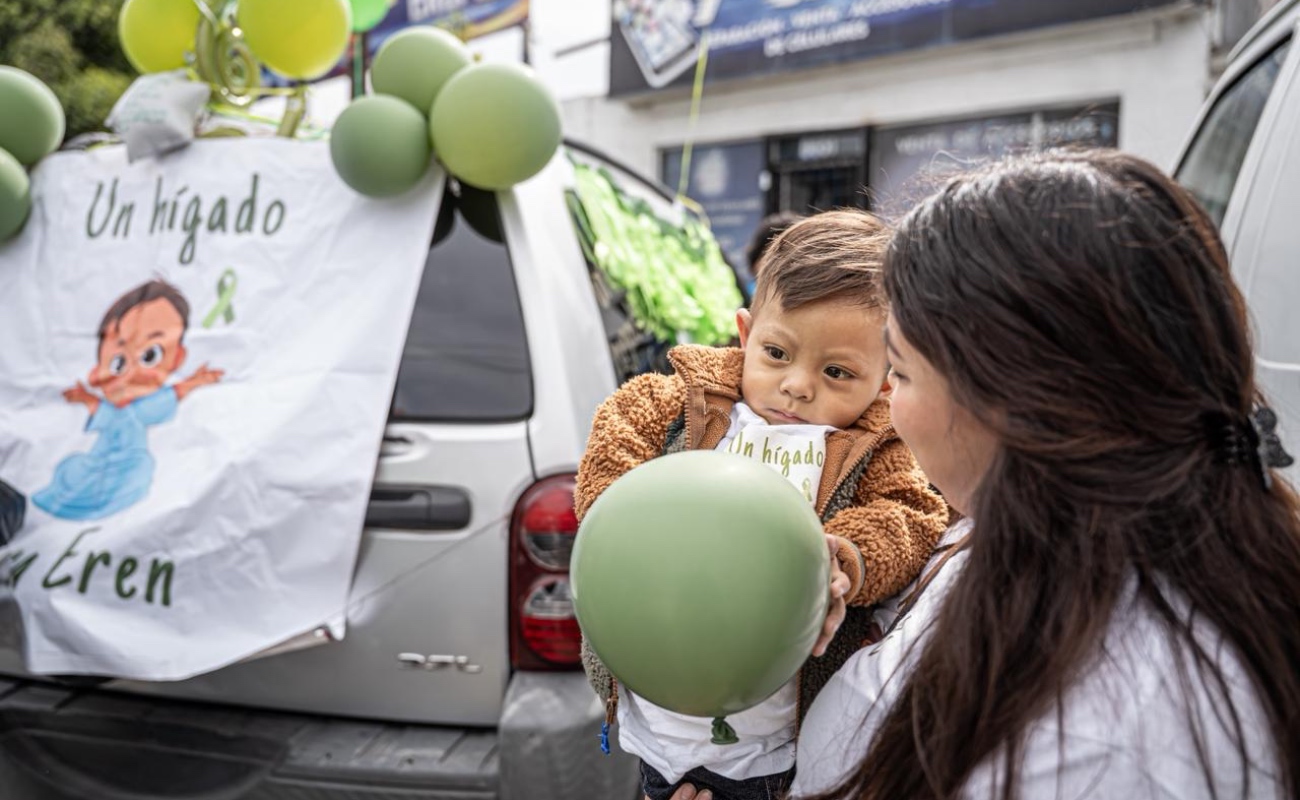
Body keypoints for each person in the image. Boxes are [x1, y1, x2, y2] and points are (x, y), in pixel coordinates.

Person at [771, 150, 1300, 800]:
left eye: (900, 375)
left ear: (1011, 402)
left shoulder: (1098, 749)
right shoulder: (1057, 538)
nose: (889, 415)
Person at [575, 209, 949, 800]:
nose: (798, 385)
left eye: (835, 371)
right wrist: (616, 516)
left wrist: (844, 558)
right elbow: (619, 431)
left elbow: (909, 514)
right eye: (777, 353)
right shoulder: (682, 403)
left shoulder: (877, 447)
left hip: (770, 754)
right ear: (746, 334)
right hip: (658, 729)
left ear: (883, 379)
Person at [33, 280, 224, 521]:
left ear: (177, 359)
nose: (131, 372)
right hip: (98, 463)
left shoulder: (142, 409)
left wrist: (194, 382)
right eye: (118, 361)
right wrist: (85, 398)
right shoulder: (120, 409)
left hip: (128, 469)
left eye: (150, 355)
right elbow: (105, 411)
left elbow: (172, 394)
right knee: (74, 476)